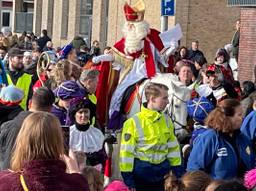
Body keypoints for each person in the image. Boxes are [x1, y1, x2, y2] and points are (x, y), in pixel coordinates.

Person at [93, 0, 178, 130]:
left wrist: (171, 48)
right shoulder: (126, 40)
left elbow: (162, 58)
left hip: (153, 73)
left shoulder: (153, 36)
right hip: (132, 74)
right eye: (129, 24)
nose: (131, 27)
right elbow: (116, 56)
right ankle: (116, 123)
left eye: (133, 24)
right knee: (118, 94)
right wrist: (102, 57)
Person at [0, 112, 90, 191]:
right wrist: (76, 174)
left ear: (22, 142)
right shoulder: (76, 184)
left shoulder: (5, 182)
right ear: (59, 142)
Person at [119, 83, 181, 191]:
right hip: (141, 176)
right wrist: (128, 179)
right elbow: (126, 153)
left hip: (163, 175)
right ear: (152, 99)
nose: (167, 102)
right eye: (164, 98)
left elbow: (173, 148)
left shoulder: (167, 120)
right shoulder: (132, 122)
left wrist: (176, 171)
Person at [187, 99, 255, 180]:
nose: (242, 118)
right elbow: (194, 172)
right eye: (239, 115)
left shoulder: (242, 138)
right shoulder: (209, 138)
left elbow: (252, 163)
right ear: (227, 117)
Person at [0, 87, 55, 170]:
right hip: (29, 178)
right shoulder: (49, 131)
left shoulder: (8, 125)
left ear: (30, 103)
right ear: (51, 109)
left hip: (6, 177)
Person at [68, 97, 107, 169]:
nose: (83, 115)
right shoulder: (69, 133)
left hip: (93, 173)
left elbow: (103, 158)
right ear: (74, 114)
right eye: (80, 112)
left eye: (86, 112)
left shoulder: (97, 133)